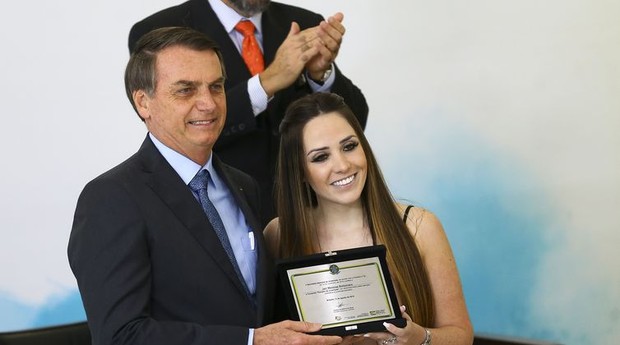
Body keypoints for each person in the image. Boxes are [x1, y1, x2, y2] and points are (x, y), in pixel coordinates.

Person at [68, 27, 342, 345]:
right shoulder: (111, 198)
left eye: (216, 87)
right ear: (144, 103)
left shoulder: (244, 186)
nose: (208, 104)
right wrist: (251, 341)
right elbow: (121, 337)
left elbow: (258, 309)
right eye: (186, 90)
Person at [128, 0, 369, 225]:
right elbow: (174, 131)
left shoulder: (302, 21)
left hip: (310, 216)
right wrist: (267, 82)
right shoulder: (157, 30)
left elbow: (355, 122)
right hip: (220, 218)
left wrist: (321, 75)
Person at [264, 93, 474, 345]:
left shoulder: (420, 227)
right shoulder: (278, 234)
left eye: (349, 146)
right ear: (299, 172)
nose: (342, 165)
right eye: (321, 157)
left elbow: (461, 336)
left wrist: (418, 338)